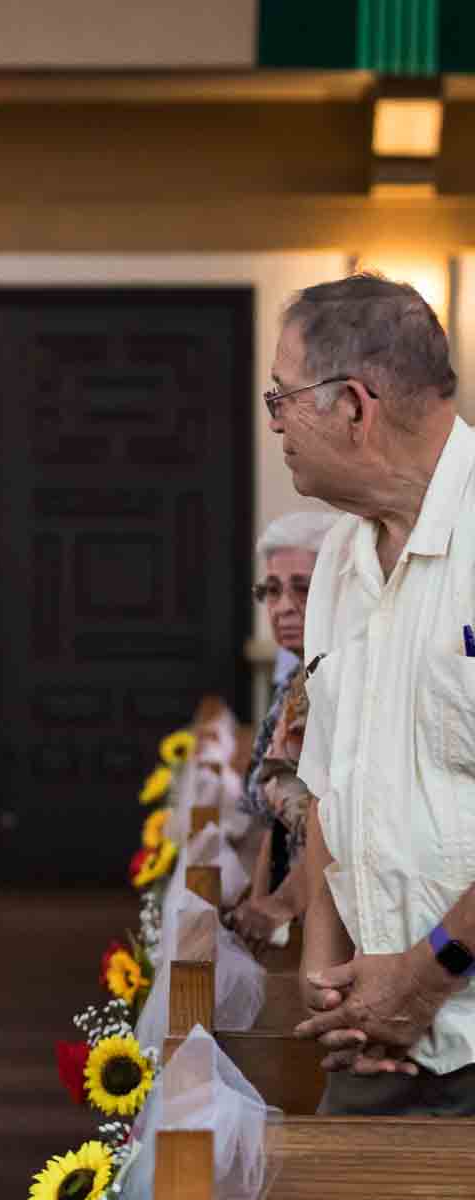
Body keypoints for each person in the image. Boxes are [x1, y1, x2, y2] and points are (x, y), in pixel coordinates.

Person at [271, 274, 475, 1113]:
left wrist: (430, 976)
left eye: (282, 398)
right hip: (372, 1046)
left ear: (352, 405)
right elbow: (330, 788)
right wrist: (326, 977)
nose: (277, 421)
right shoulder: (340, 564)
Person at [226, 509, 336, 948]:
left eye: (303, 589)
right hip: (301, 914)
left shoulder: (344, 677)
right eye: (271, 591)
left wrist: (280, 905)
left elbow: (341, 825)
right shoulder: (299, 676)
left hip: (333, 915)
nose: (283, 607)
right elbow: (274, 816)